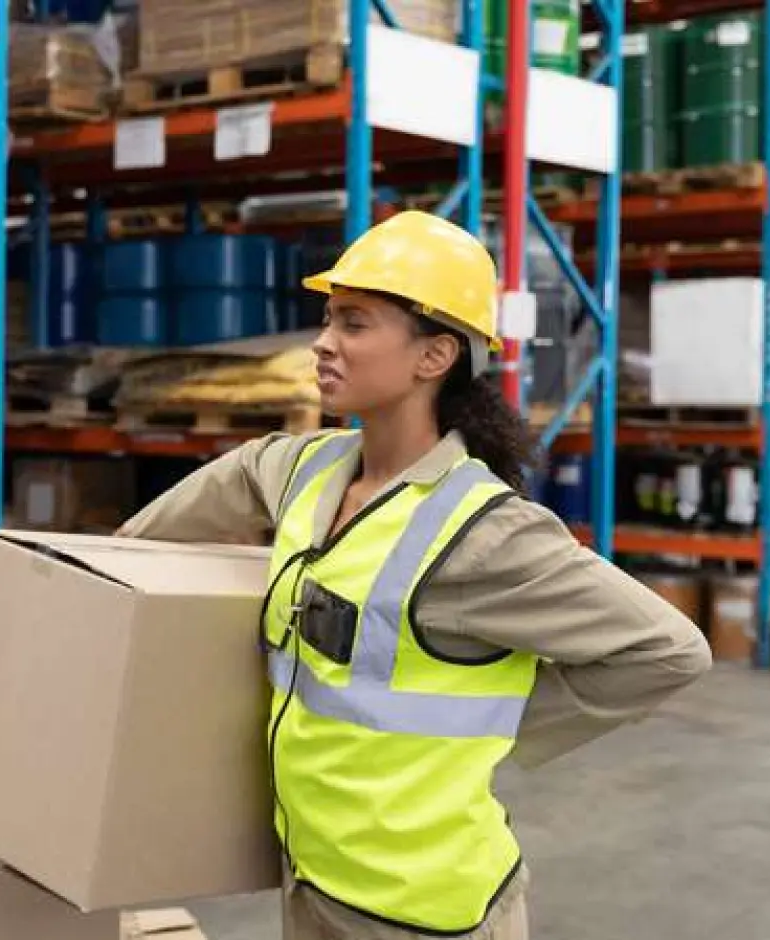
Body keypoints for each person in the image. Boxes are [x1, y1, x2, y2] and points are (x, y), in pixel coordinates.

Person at [117, 211, 712, 940]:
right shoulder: (308, 472)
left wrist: (500, 722)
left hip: (426, 913)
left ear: (434, 356)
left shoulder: (484, 534)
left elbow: (669, 651)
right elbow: (237, 477)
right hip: (313, 882)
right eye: (329, 317)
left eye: (355, 323)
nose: (323, 342)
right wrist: (105, 566)